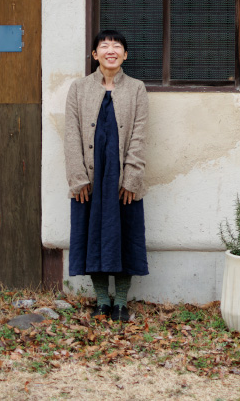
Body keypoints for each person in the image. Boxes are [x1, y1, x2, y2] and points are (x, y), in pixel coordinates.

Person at [64, 29, 149, 321]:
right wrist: (77, 177)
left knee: (126, 236)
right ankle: (101, 300)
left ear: (125, 55)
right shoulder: (79, 88)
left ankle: (122, 302)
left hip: (121, 178)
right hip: (90, 179)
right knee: (91, 236)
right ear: (95, 54)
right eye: (104, 46)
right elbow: (71, 135)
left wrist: (132, 178)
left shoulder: (137, 88)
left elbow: (139, 135)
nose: (110, 50)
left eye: (117, 46)